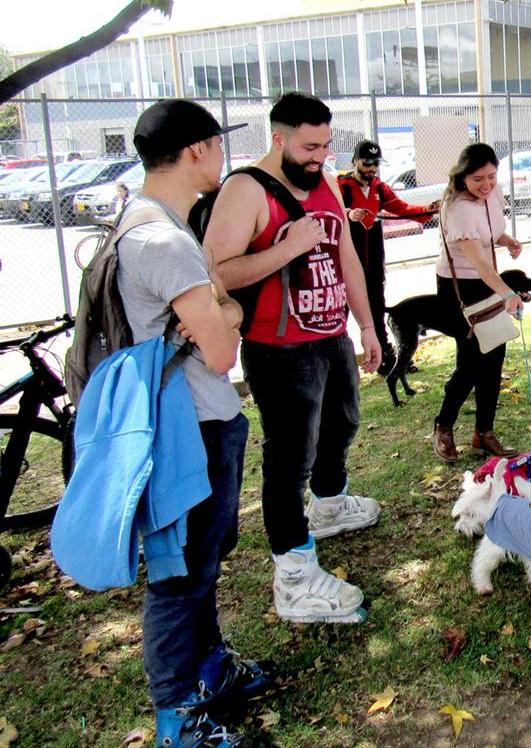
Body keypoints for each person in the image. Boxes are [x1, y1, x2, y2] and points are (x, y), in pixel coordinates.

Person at [121, 99, 270, 746]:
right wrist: (224, 313)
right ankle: (177, 719)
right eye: (215, 145)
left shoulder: (145, 221)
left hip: (194, 422)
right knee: (179, 576)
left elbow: (216, 310)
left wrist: (217, 307)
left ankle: (211, 672)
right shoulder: (163, 242)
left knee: (200, 564)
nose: (220, 156)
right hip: (192, 429)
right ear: (196, 151)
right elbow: (221, 349)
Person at [205, 92, 382, 625]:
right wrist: (289, 247)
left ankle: (329, 503)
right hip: (278, 349)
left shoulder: (322, 179)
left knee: (341, 425)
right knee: (289, 457)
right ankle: (294, 573)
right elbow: (215, 273)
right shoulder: (245, 189)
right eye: (309, 146)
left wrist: (367, 325)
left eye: (327, 146)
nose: (320, 157)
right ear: (277, 138)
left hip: (329, 335)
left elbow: (346, 253)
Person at [431, 143, 526, 463]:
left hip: (488, 284)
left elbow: (490, 234)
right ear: (462, 177)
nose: (486, 185)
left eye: (491, 177)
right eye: (477, 179)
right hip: (460, 288)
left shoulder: (491, 195)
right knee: (471, 364)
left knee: (495, 357)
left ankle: (483, 433)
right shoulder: (458, 207)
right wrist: (508, 293)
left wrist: (507, 239)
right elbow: (480, 264)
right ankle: (443, 426)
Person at [337, 140, 439, 374]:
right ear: (355, 161)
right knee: (339, 312)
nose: (372, 168)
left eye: (375, 164)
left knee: (376, 308)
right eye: (367, 162)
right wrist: (349, 214)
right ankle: (337, 364)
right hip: (345, 259)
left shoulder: (379, 188)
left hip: (372, 259)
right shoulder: (341, 186)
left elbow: (401, 207)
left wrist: (428, 209)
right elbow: (329, 211)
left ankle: (387, 359)